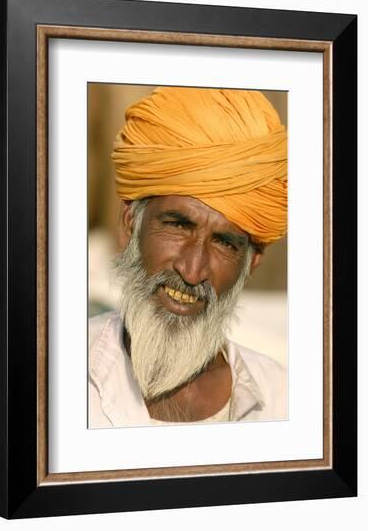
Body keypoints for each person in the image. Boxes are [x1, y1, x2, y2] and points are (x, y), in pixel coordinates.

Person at [89, 87, 287, 428]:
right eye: (178, 225)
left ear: (251, 262)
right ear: (130, 222)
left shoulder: (284, 401)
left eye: (225, 243)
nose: (193, 271)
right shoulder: (48, 372)